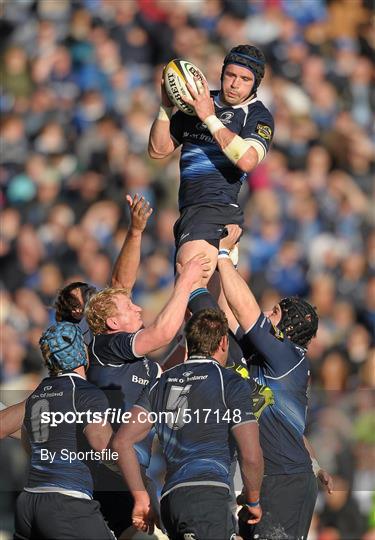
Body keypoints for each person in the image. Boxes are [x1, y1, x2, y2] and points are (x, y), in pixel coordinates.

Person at [217, 225, 333, 540]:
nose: (268, 314)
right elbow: (229, 315)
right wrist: (227, 262)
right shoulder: (273, 357)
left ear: (290, 326)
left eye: (275, 311)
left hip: (285, 480)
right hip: (272, 479)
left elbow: (246, 311)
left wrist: (224, 255)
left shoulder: (287, 354)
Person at [83, 254, 210, 537]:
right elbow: (161, 333)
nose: (139, 308)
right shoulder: (106, 346)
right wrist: (186, 282)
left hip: (134, 475)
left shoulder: (144, 365)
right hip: (107, 471)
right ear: (113, 322)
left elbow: (166, 373)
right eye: (129, 306)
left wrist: (190, 330)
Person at [112, 308, 264, 539]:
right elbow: (251, 454)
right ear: (223, 342)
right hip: (208, 496)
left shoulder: (160, 383)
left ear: (190, 343)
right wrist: (253, 499)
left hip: (172, 500)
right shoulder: (230, 381)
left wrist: (141, 497)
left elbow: (122, 442)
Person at [148, 44, 274, 289]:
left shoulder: (258, 116)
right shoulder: (197, 103)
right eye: (231, 75)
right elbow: (157, 149)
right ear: (222, 73)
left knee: (189, 290)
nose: (235, 84)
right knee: (212, 319)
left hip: (215, 210)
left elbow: (247, 160)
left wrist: (208, 117)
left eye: (245, 79)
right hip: (190, 211)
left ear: (255, 84)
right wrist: (166, 106)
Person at [14, 321, 115, 540]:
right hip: (67, 502)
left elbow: (28, 445)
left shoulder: (38, 394)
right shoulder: (86, 392)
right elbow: (102, 445)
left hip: (28, 502)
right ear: (82, 352)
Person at [54, 193, 153, 344]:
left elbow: (121, 286)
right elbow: (162, 333)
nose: (137, 308)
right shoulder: (104, 342)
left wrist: (135, 231)